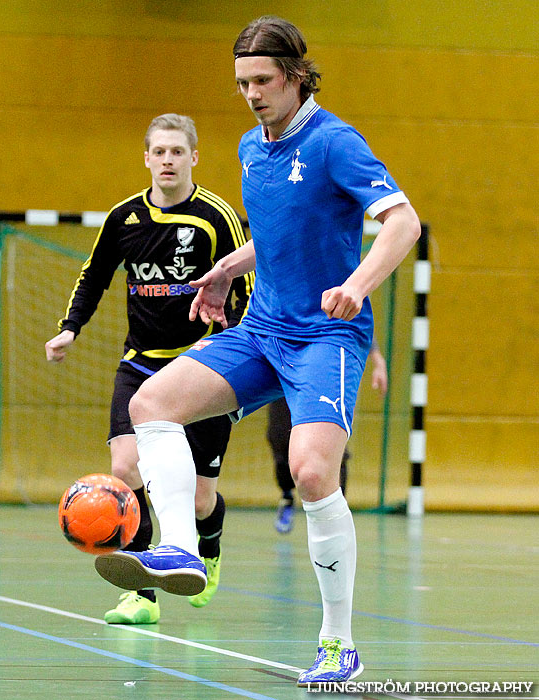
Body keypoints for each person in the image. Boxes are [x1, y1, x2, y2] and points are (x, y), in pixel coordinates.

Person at [92, 16, 420, 685]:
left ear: (296, 75)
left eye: (263, 80)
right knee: (152, 402)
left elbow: (402, 223)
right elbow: (277, 236)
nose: (251, 93)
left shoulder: (334, 143)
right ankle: (181, 547)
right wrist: (227, 269)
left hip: (325, 336)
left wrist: (357, 286)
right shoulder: (249, 146)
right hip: (263, 329)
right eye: (242, 82)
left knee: (310, 474)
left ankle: (338, 645)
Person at [45, 113, 252, 624]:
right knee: (125, 470)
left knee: (200, 499)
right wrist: (71, 327)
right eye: (158, 152)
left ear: (194, 158)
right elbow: (94, 276)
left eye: (177, 152)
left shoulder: (215, 215)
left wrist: (233, 348)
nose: (167, 160)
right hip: (140, 366)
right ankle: (141, 594)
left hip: (203, 370)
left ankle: (208, 545)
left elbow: (246, 286)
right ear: (146, 158)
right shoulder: (124, 218)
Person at [271, 340, 388, 533]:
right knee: (280, 437)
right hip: (287, 362)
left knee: (332, 446)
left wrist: (377, 359)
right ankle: (286, 495)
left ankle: (336, 515)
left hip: (327, 366)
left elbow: (358, 314)